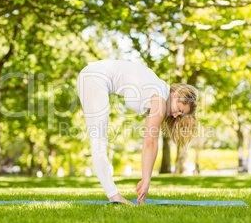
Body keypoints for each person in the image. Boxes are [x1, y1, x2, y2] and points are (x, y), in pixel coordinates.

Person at [76, 59, 197, 205]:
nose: (176, 115)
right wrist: (146, 181)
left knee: (99, 141)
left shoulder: (158, 91)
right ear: (176, 95)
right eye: (179, 110)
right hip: (94, 77)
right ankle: (114, 197)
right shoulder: (159, 96)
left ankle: (114, 196)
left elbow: (149, 138)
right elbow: (150, 143)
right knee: (99, 142)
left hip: (92, 76)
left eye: (180, 115)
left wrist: (146, 179)